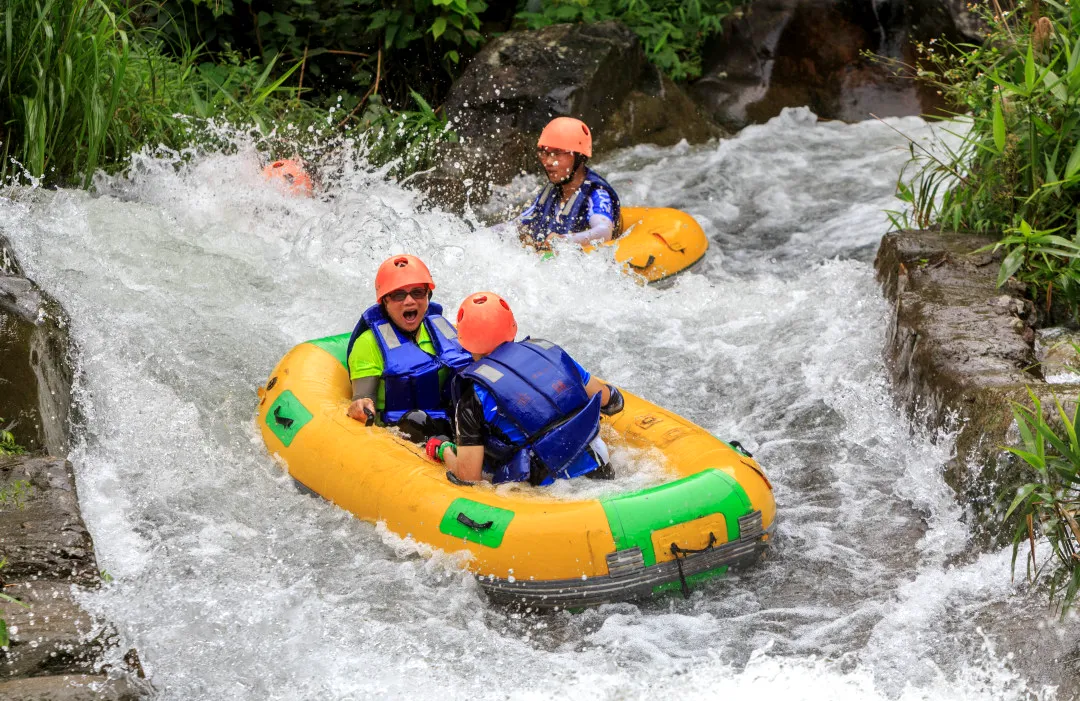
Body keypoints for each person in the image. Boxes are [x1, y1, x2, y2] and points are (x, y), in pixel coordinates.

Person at [424, 292, 625, 485]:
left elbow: (469, 478)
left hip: (548, 491)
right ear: (513, 326)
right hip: (600, 469)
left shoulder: (472, 396)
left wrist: (444, 450)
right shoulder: (549, 352)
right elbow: (611, 401)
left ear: (464, 341)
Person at [344, 255, 472, 439]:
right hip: (403, 430)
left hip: (451, 421)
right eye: (398, 295)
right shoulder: (368, 344)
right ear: (385, 301)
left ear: (428, 295)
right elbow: (363, 398)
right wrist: (361, 404)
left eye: (418, 292)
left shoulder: (442, 328)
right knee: (417, 419)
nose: (409, 301)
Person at [518, 117, 622, 251]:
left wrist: (563, 240)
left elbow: (603, 231)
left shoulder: (596, 193)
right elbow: (518, 223)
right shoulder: (551, 192)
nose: (549, 161)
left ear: (580, 156)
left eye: (557, 153)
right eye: (544, 152)